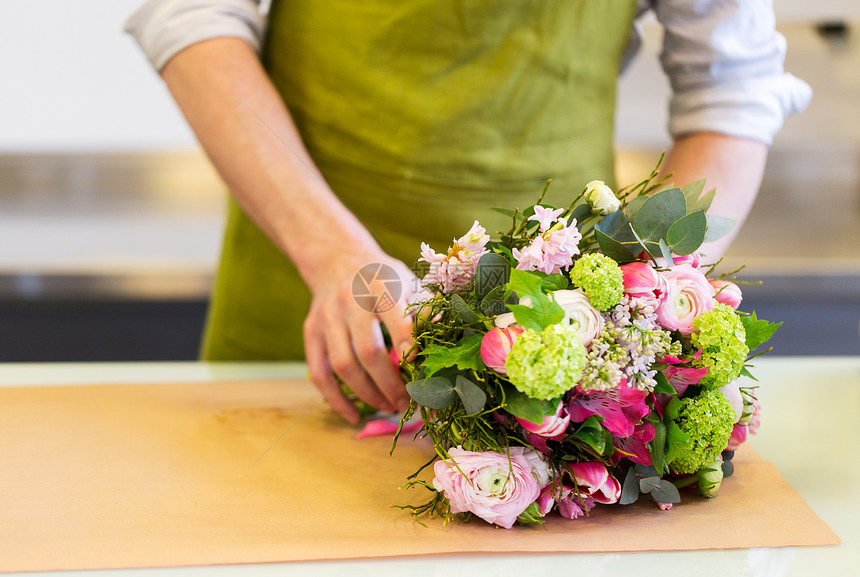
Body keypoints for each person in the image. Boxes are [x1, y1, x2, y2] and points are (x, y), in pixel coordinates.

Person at [125, 0, 811, 424]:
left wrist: (637, 302)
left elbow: (732, 87)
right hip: (304, 302)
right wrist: (333, 254)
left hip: (553, 335)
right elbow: (188, 11)